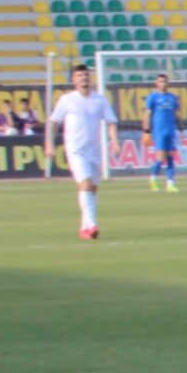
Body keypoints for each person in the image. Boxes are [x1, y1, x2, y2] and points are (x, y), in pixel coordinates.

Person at [45, 63, 117, 241]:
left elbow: (111, 122)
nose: (83, 78)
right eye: (79, 76)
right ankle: (92, 224)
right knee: (85, 184)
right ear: (73, 79)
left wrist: (115, 141)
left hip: (94, 151)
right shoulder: (67, 99)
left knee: (92, 189)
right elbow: (53, 123)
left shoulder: (100, 100)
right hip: (75, 150)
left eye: (86, 75)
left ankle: (85, 227)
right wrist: (49, 144)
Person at [142, 73, 183, 192]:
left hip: (171, 130)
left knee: (171, 157)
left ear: (168, 83)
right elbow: (147, 114)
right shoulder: (152, 97)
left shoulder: (172, 98)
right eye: (160, 81)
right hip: (159, 131)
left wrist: (181, 129)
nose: (163, 84)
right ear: (156, 83)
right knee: (160, 158)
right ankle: (153, 177)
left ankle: (170, 183)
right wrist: (146, 131)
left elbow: (176, 115)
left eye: (165, 81)